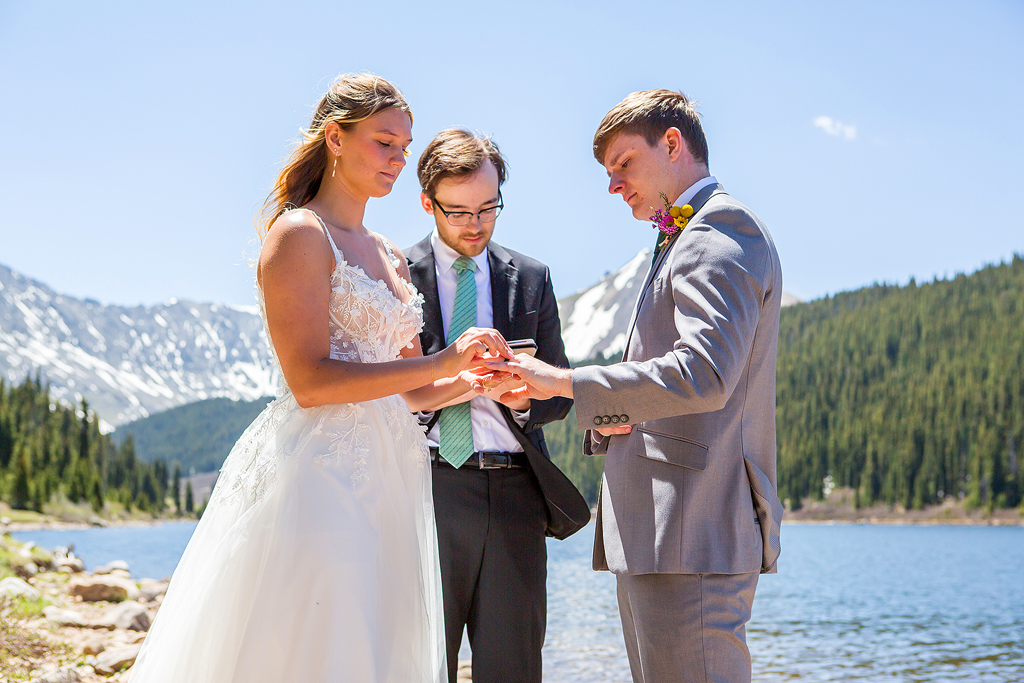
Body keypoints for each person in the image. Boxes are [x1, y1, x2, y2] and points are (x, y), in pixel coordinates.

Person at [131, 74, 514, 683]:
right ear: (336, 137)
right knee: (321, 642)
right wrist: (442, 361)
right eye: (384, 143)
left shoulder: (389, 255)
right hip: (321, 474)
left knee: (378, 642)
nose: (399, 160)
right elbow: (308, 382)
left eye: (404, 146)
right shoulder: (299, 235)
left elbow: (415, 391)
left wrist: (483, 378)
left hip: (394, 476)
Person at [493, 90, 784, 683]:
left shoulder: (718, 229)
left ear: (673, 144)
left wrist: (565, 382)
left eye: (624, 164)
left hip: (693, 528)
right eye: (608, 172)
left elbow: (705, 373)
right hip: (666, 534)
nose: (613, 185)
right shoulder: (687, 234)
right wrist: (609, 411)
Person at [404, 128, 590, 683]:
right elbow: (381, 391)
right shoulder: (396, 274)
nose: (476, 224)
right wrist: (446, 389)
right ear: (428, 203)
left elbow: (558, 392)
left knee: (514, 669)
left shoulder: (531, 278)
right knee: (421, 664)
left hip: (516, 497)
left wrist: (528, 400)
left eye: (489, 208)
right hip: (425, 489)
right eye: (459, 212)